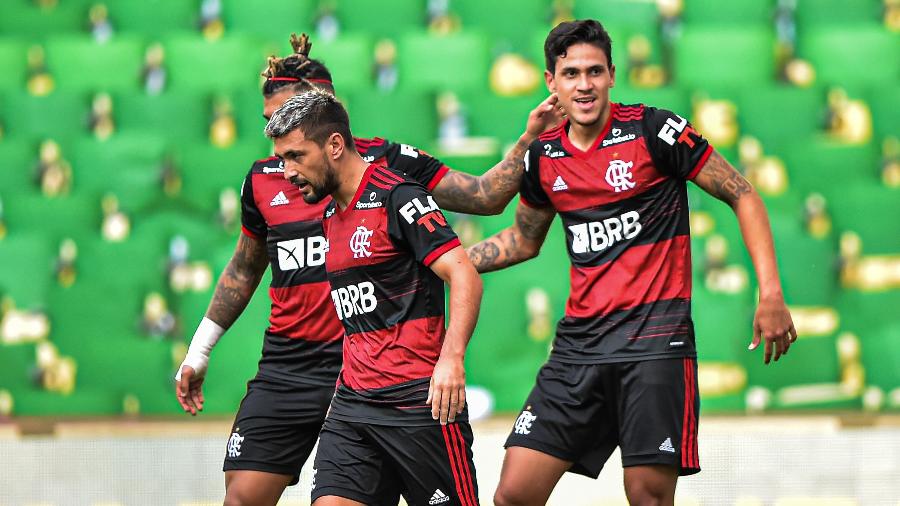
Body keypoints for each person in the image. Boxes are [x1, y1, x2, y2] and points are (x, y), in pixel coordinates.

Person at [173, 34, 561, 505]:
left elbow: (480, 205)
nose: (279, 142)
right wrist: (200, 348)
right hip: (302, 368)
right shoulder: (274, 184)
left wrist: (526, 142)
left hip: (394, 374)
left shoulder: (392, 175)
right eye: (270, 125)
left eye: (290, 121)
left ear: (327, 116)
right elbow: (242, 267)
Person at [466, 20, 798, 506]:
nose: (584, 85)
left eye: (595, 71)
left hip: (655, 345)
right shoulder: (543, 156)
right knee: (514, 493)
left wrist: (770, 292)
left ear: (612, 74)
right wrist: (444, 260)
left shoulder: (654, 130)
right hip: (578, 349)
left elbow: (742, 193)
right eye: (572, 73)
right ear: (551, 83)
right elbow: (522, 239)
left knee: (647, 497)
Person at [266, 90, 483, 506]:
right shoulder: (329, 212)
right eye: (281, 159)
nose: (287, 171)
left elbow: (464, 275)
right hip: (353, 405)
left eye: (295, 156)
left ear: (334, 145)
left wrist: (452, 359)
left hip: (420, 405)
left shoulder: (399, 197)